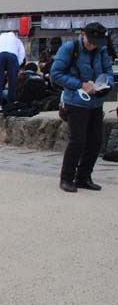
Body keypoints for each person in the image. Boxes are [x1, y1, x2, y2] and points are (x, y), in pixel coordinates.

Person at [51, 22, 114, 192]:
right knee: (77, 140)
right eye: (90, 41)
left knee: (95, 142)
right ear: (83, 35)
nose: (92, 45)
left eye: (96, 42)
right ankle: (67, 178)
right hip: (75, 101)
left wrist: (106, 84)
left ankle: (83, 177)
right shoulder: (69, 49)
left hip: (95, 102)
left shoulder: (101, 50)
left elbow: (108, 72)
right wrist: (80, 84)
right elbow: (56, 74)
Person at [0, 30, 26, 110]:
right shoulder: (17, 40)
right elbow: (22, 52)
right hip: (13, 56)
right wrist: (18, 63)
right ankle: (12, 103)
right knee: (12, 82)